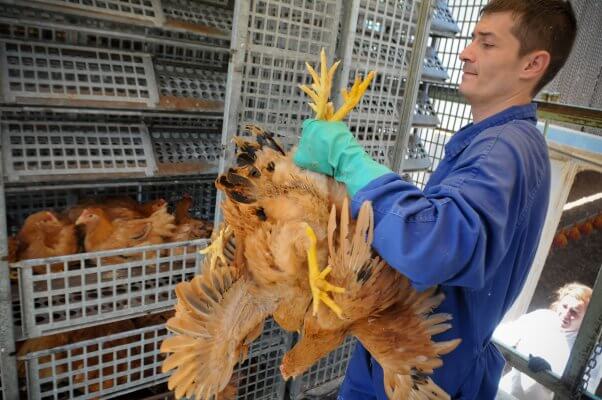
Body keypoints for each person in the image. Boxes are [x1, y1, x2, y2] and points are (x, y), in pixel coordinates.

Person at [293, 0, 577, 398]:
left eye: (487, 43)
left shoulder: (504, 146)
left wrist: (348, 159)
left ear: (532, 65)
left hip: (424, 372)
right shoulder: (497, 141)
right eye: (473, 38)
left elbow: (436, 243)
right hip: (415, 358)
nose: (466, 51)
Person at [494, 283, 601, 399]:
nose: (566, 314)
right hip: (505, 394)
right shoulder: (542, 318)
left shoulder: (590, 350)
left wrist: (551, 378)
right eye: (564, 306)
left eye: (574, 312)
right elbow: (503, 334)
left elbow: (585, 390)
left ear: (587, 318)